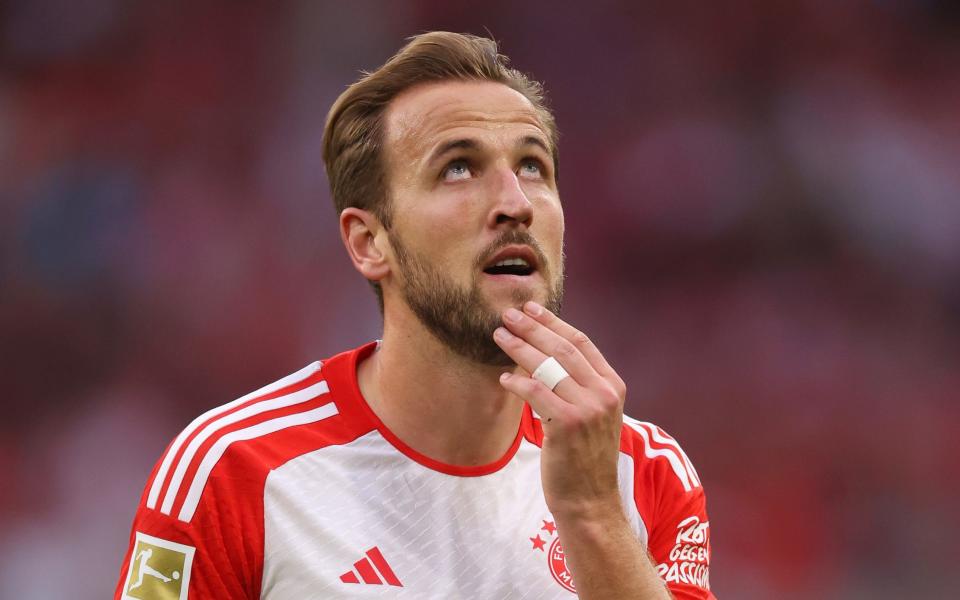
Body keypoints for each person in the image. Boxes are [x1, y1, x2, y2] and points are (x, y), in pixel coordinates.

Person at [115, 31, 714, 599]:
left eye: (533, 166)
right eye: (458, 167)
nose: (515, 204)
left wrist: (593, 515)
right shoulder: (231, 469)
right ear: (369, 243)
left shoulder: (641, 473)